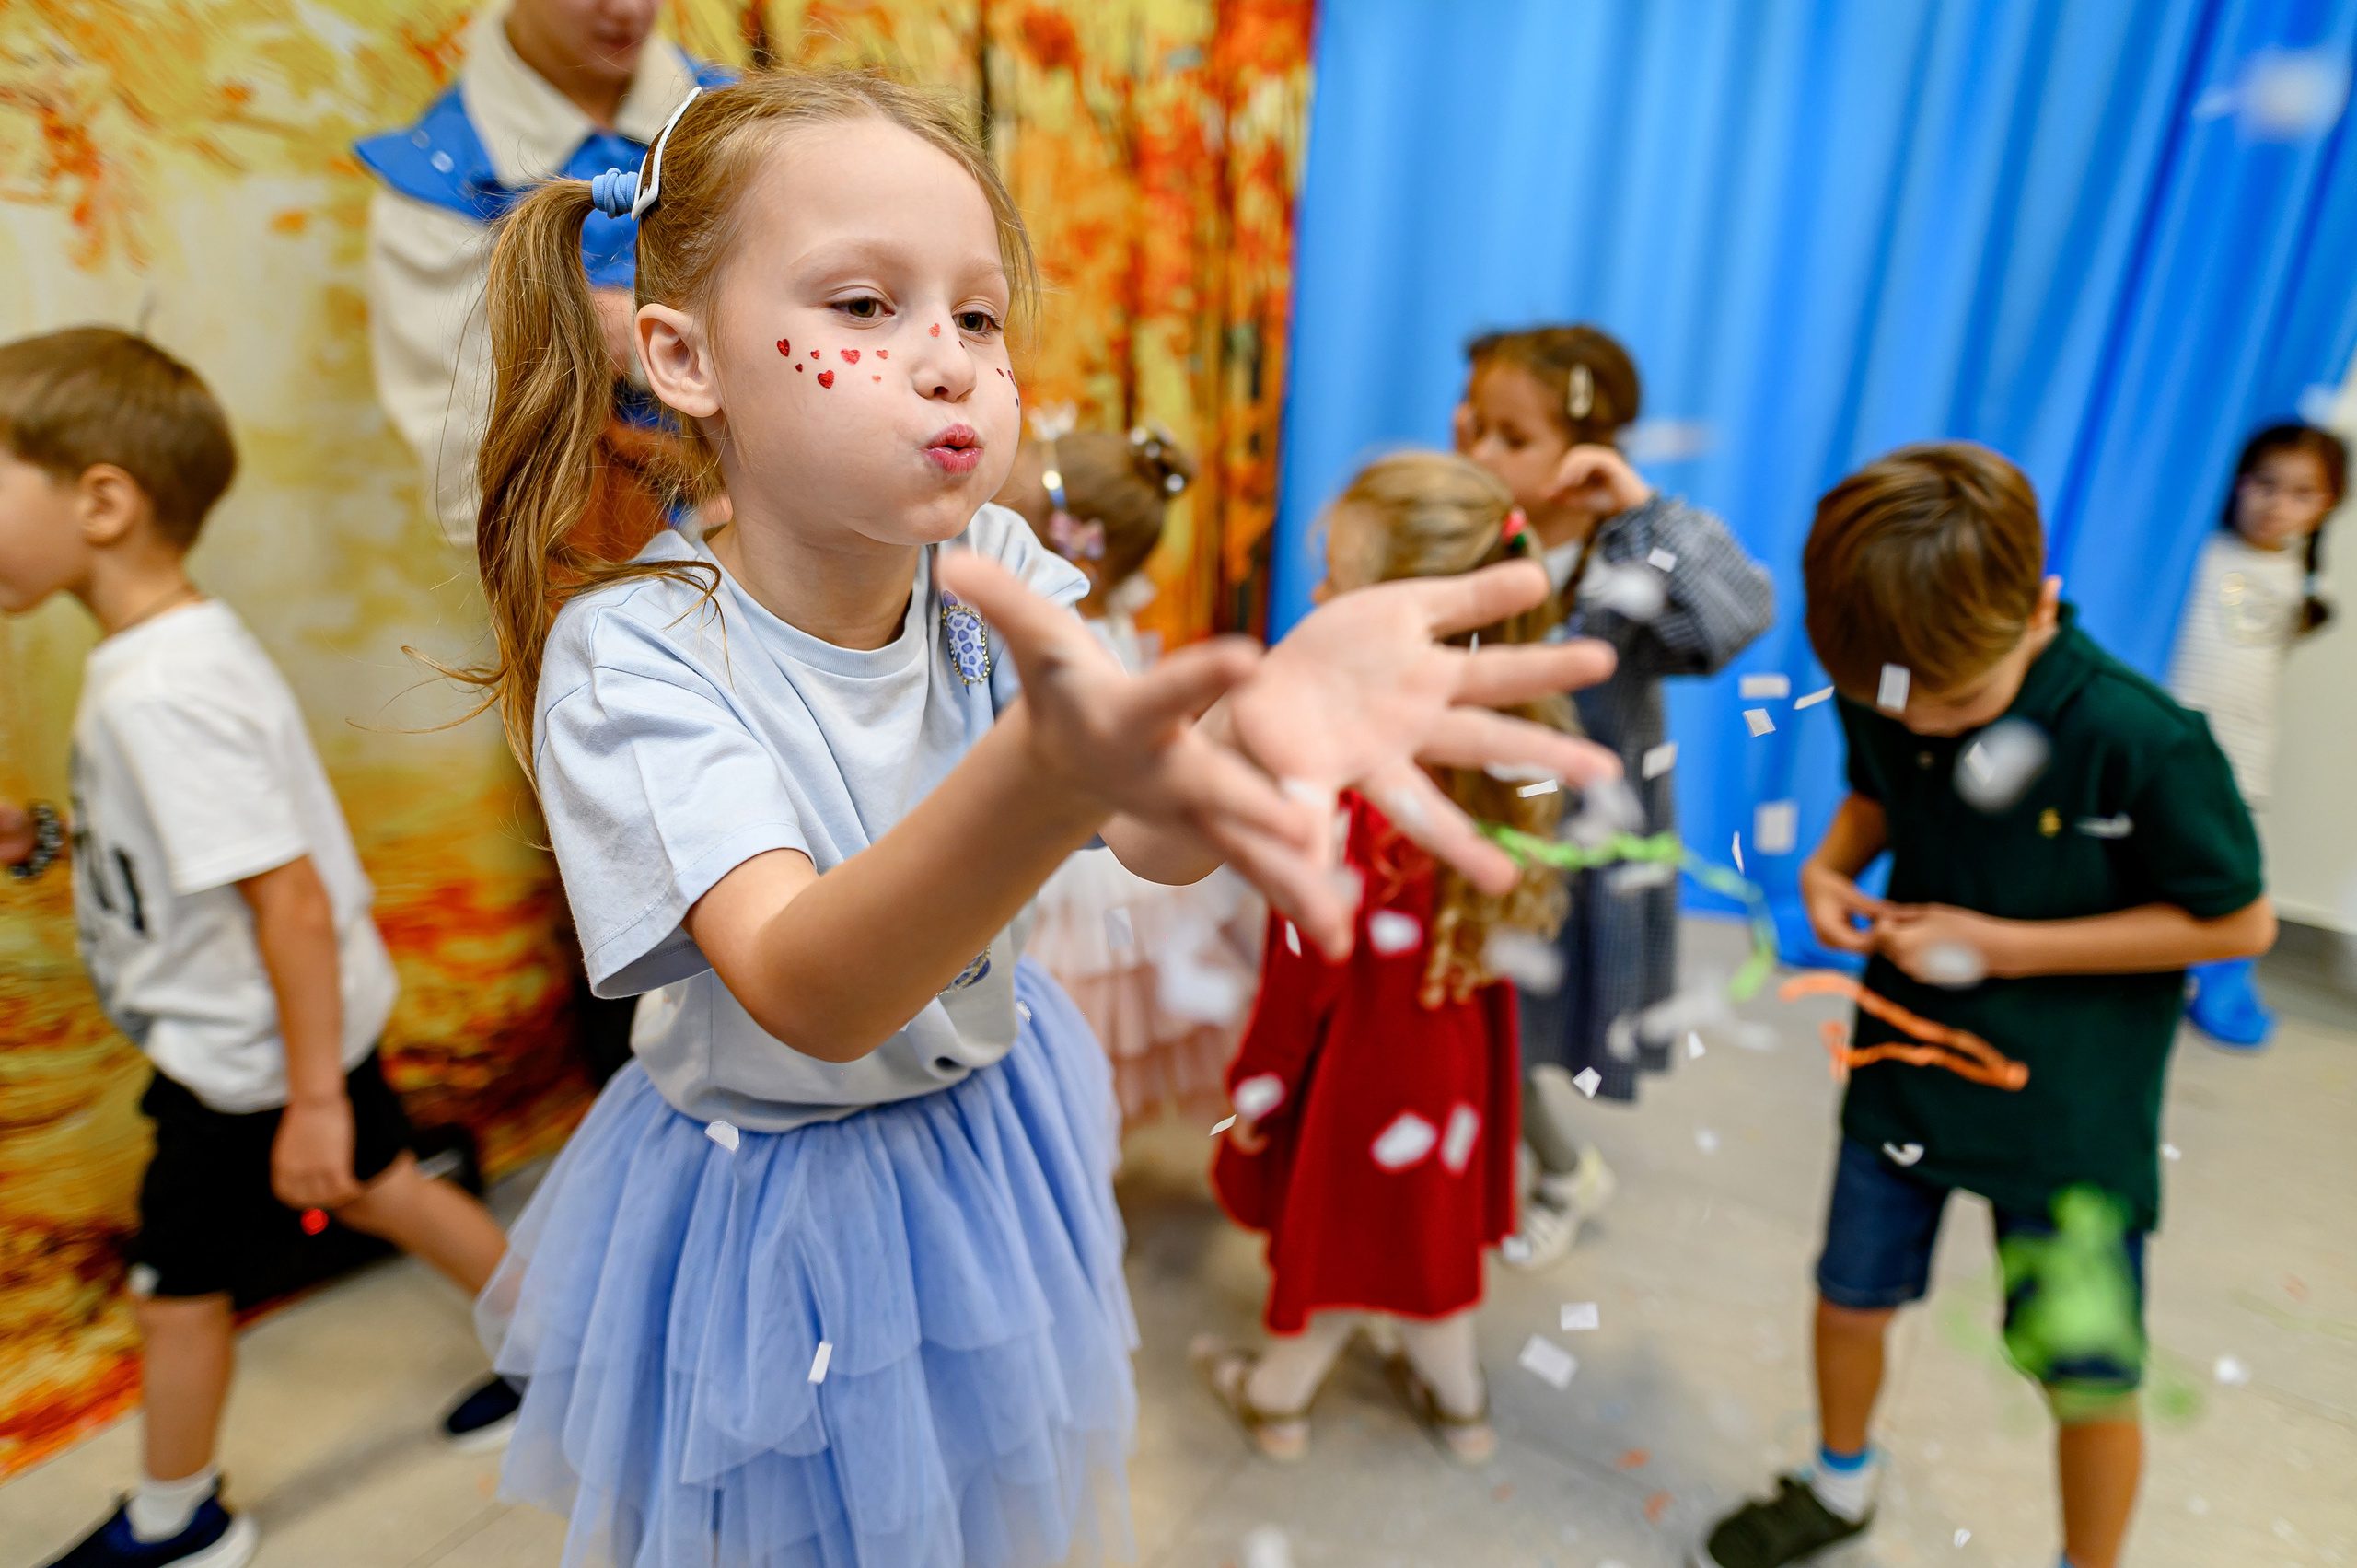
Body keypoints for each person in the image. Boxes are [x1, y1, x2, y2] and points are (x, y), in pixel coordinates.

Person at [455, 70, 1620, 1566]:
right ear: (684, 357)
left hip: (991, 1134)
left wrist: (1252, 740)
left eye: (980, 318)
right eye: (866, 304)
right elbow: (813, 987)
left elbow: (1152, 836)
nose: (946, 362)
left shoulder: (994, 558)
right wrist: (1047, 779)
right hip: (777, 1200)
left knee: (981, 1501)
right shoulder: (639, 654)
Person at [1695, 443, 2275, 1568]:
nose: (1922, 728)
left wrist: (2002, 945)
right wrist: (1827, 867)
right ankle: (1839, 1482)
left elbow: (2239, 924)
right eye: (1892, 706)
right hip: (1906, 1066)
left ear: (2037, 607)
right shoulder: (1900, 677)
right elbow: (1879, 791)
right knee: (1851, 1294)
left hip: (2072, 1111)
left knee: (2086, 1370)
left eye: (1954, 702)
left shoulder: (2140, 738)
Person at [0, 329, 519, 1568]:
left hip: (249, 1054)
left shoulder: (159, 690)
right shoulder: (166, 657)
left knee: (175, 1280)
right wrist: (49, 838)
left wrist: (311, 1098)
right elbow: (197, 855)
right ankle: (566, 1355)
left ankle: (181, 1519)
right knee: (390, 1184)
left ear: (104, 501)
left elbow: (282, 896)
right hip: (275, 1034)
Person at [1192, 452, 1570, 1468]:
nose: (1314, 597)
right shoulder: (1510, 752)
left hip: (1359, 1065)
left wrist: (1258, 1084)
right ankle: (1461, 1406)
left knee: (1344, 1247)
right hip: (1456, 1060)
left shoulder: (1354, 795)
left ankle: (1274, 1397)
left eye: (1336, 583)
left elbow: (1300, 969)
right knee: (1424, 1236)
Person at [1455, 324, 1773, 1268]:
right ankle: (1493, 1159)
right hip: (1472, 823)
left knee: (1516, 1024)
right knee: (1467, 1014)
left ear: (1587, 452)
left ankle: (1558, 1171)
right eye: (1471, 425)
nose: (1479, 454)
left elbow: (1736, 615)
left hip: (1569, 844)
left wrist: (1642, 509)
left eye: (1511, 438)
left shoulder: (1622, 561)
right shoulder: (1466, 532)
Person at [354, 0, 732, 548]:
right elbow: (476, 487)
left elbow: (839, 335)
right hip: (599, 578)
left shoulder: (741, 120)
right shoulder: (443, 186)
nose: (628, 8)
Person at [996, 419, 1265, 1126]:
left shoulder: (1063, 636)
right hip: (1104, 843)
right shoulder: (1109, 617)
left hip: (1081, 858)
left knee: (1072, 1015)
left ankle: (1075, 1133)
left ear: (1065, 536)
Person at [2165, 421, 2347, 1051]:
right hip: (2170, 743)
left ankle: (2211, 979)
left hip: (2241, 756)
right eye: (2264, 484)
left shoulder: (2301, 579)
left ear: (2327, 505)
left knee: (2220, 868)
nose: (2277, 505)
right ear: (2237, 482)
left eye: (2302, 493)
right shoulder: (2203, 549)